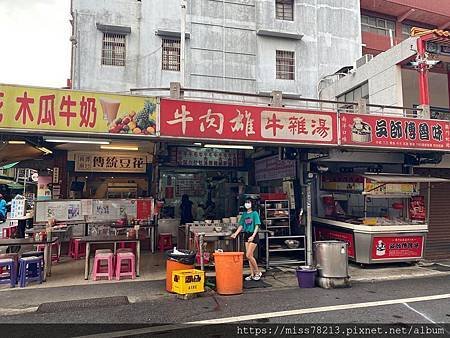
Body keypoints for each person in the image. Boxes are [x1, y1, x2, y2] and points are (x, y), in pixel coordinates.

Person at [231, 200, 262, 281]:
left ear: (252, 204)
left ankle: (258, 272)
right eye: (246, 202)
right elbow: (241, 225)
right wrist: (235, 233)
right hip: (246, 234)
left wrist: (253, 236)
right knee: (249, 256)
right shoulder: (244, 214)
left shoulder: (255, 213)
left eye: (249, 202)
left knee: (248, 255)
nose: (247, 204)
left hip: (253, 235)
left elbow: (257, 226)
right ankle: (252, 274)